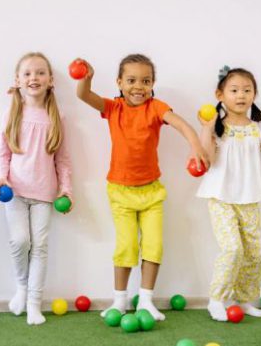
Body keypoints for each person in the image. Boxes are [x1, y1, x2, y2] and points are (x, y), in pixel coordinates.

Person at [75, 54, 208, 321]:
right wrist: (86, 79)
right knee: (126, 246)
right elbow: (83, 96)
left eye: (146, 81)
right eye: (132, 80)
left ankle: (146, 300)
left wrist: (196, 147)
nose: (139, 86)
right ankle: (120, 301)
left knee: (154, 245)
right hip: (120, 192)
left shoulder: (156, 107)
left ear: (153, 83)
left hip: (151, 192)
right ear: (120, 82)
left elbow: (182, 124)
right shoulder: (113, 108)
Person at [196, 66, 261, 321]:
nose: (241, 95)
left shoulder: (259, 128)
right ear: (220, 94)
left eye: (247, 90)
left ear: (254, 94)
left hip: (249, 198)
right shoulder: (218, 127)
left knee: (255, 252)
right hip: (220, 197)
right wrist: (206, 129)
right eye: (234, 90)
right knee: (232, 249)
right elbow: (206, 159)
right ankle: (216, 299)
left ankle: (241, 300)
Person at [0, 52, 72, 325]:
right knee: (20, 241)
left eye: (40, 73)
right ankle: (22, 288)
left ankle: (34, 304)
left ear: (50, 80)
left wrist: (66, 189)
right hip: (14, 191)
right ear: (17, 80)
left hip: (44, 194)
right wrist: (1, 179)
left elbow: (62, 159)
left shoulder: (56, 115)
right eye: (27, 73)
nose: (34, 78)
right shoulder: (12, 112)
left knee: (40, 246)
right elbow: (3, 154)